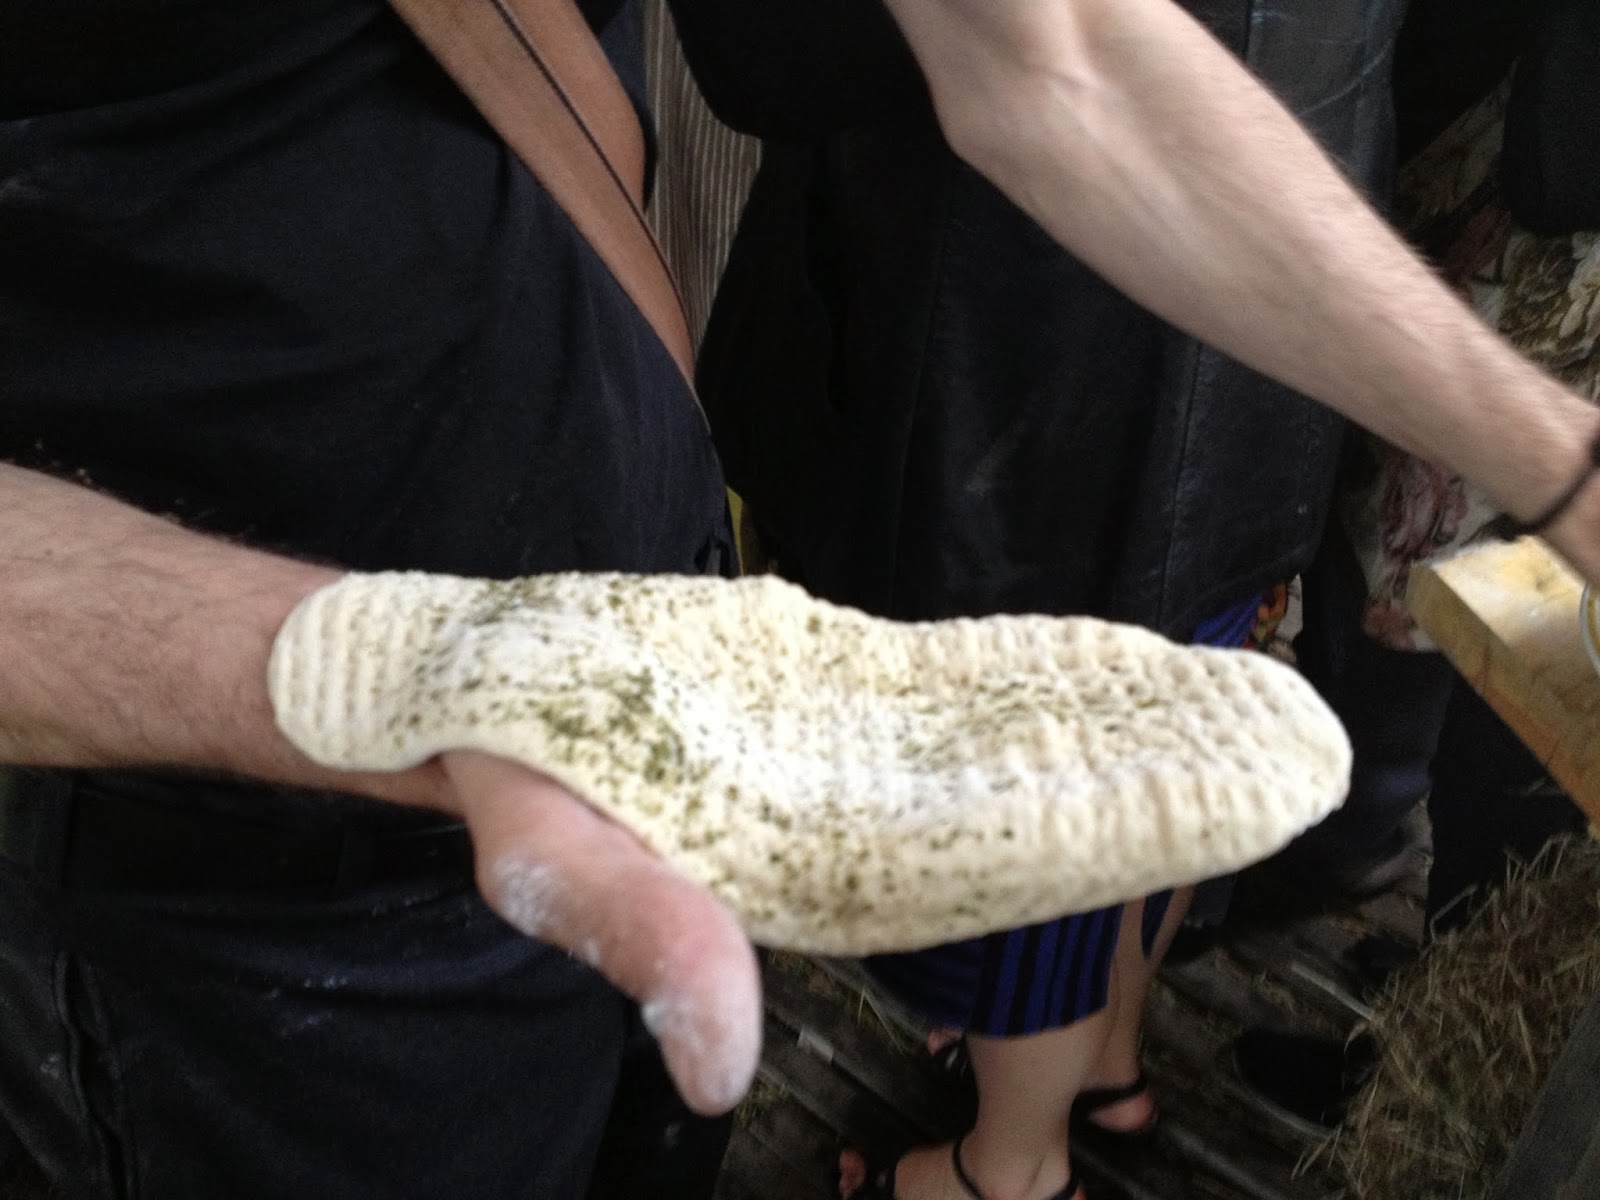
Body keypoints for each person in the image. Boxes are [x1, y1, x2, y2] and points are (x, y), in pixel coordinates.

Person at [3, 1, 1599, 1198]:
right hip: (233, 864)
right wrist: (401, 672)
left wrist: (1569, 468)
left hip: (645, 658)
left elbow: (1055, 54)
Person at [696, 2, 1600, 1198]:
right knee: (1174, 712)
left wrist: (1563, 472)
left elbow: (1023, 65)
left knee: (1051, 781)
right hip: (1282, 287)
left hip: (1047, 344)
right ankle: (1102, 1062)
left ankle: (1008, 1168)